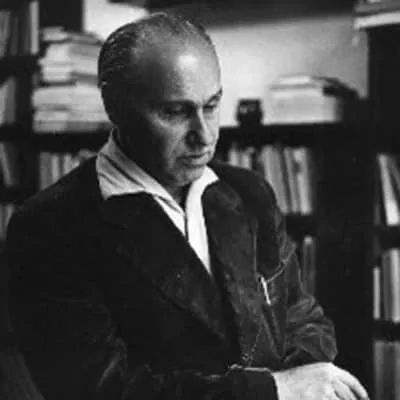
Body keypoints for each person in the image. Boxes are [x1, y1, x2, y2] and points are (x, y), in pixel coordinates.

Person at [5, 12, 369, 400]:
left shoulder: (249, 192)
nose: (205, 135)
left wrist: (305, 376)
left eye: (211, 106)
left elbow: (302, 316)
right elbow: (100, 391)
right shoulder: (50, 225)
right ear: (115, 107)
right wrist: (274, 389)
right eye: (175, 112)